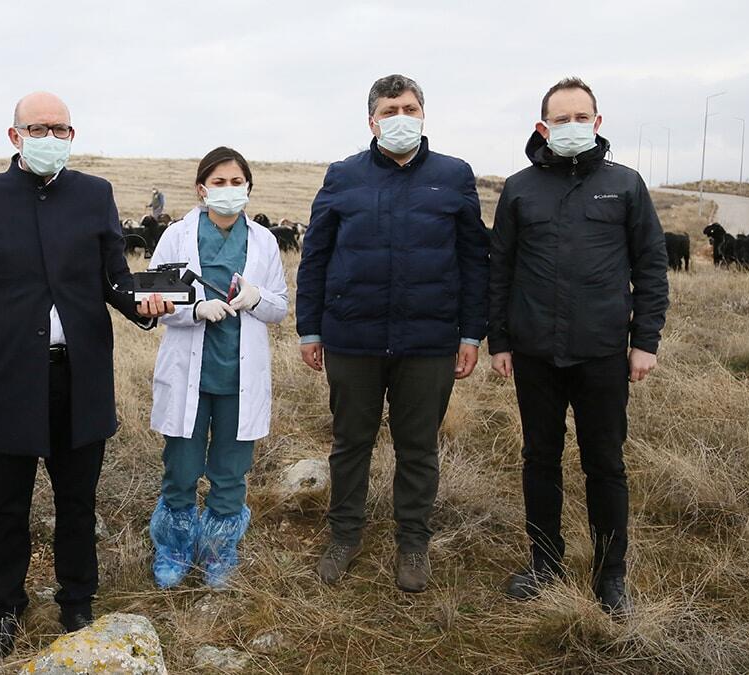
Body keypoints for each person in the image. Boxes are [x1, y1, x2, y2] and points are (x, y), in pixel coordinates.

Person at [0, 92, 172, 658]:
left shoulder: (94, 195)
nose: (51, 137)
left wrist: (142, 305)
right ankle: (5, 606)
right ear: (14, 135)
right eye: (39, 128)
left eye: (61, 128)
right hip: (7, 382)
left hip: (81, 379)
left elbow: (113, 279)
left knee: (78, 501)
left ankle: (77, 599)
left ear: (72, 135)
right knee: (7, 506)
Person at [296, 74, 490, 593]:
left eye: (408, 107)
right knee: (350, 443)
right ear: (372, 121)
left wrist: (471, 334)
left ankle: (413, 543)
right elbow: (315, 256)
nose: (399, 117)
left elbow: (475, 260)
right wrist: (309, 328)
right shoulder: (344, 176)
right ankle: (344, 536)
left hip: (428, 342)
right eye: (389, 109)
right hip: (352, 339)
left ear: (423, 114)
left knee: (418, 446)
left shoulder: (453, 176)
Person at [488, 77, 669, 615]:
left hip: (603, 351)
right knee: (539, 458)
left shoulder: (626, 185)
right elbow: (502, 269)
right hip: (535, 352)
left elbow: (651, 265)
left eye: (580, 117)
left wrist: (646, 342)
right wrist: (501, 339)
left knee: (605, 464)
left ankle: (610, 576)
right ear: (542, 127)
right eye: (559, 119)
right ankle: (545, 564)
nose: (570, 127)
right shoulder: (519, 188)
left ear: (597, 121)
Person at [147, 147, 288, 590]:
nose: (228, 190)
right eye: (219, 182)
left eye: (236, 182)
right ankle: (173, 547)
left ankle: (218, 550)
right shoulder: (176, 235)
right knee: (182, 468)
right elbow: (153, 302)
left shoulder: (264, 241)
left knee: (230, 471)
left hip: (238, 380)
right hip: (189, 373)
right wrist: (194, 308)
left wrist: (256, 299)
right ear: (201, 189)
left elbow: (280, 306)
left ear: (248, 188)